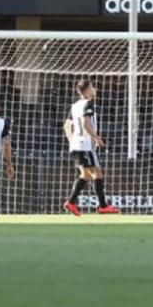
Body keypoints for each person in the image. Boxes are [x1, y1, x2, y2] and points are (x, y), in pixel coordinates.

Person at [63, 80, 120, 215]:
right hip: (85, 145)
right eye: (92, 87)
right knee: (97, 173)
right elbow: (86, 125)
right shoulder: (88, 104)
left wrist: (72, 140)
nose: (95, 89)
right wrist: (97, 138)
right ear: (87, 90)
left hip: (77, 144)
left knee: (86, 175)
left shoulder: (75, 105)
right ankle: (103, 206)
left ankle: (71, 202)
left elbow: (67, 126)